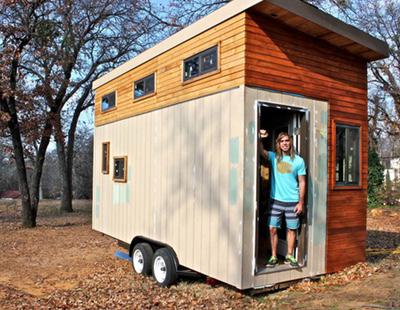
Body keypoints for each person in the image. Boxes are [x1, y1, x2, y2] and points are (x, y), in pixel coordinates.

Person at [259, 130, 306, 268]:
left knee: (292, 229)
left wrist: (301, 202)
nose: (285, 143)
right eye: (282, 141)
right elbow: (261, 151)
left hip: (292, 202)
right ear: (278, 144)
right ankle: (273, 256)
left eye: (287, 140)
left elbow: (302, 182)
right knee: (272, 228)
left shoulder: (298, 160)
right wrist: (259, 138)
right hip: (276, 201)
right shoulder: (274, 158)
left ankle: (289, 255)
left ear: (291, 142)